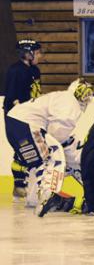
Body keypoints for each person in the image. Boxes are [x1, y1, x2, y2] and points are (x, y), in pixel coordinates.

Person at [6, 78, 93, 213]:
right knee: (52, 158)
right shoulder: (71, 104)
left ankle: (33, 198)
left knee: (38, 163)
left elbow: (54, 133)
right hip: (27, 124)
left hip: (15, 122)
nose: (86, 97)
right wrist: (69, 151)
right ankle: (48, 195)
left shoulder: (62, 97)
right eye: (85, 93)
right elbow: (57, 135)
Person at [4, 39, 43, 201]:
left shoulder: (35, 70)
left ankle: (21, 186)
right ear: (28, 54)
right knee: (23, 149)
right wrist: (22, 116)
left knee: (29, 151)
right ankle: (19, 186)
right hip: (17, 117)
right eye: (38, 52)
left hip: (31, 115)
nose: (40, 55)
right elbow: (12, 97)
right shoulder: (15, 71)